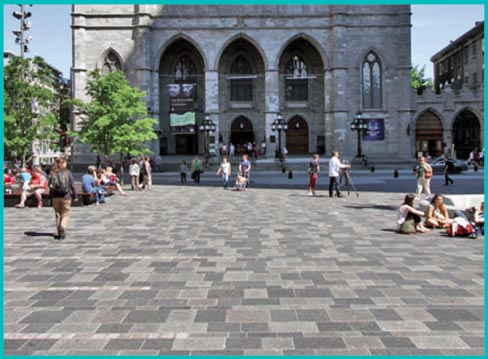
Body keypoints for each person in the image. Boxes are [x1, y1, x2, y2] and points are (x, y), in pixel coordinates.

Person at [48, 158, 78, 240]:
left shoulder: (52, 173)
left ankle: (59, 233)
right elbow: (72, 185)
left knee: (58, 214)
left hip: (55, 197)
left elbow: (49, 186)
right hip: (66, 196)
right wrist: (75, 196)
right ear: (64, 163)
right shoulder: (67, 172)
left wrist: (50, 196)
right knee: (65, 213)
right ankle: (63, 226)